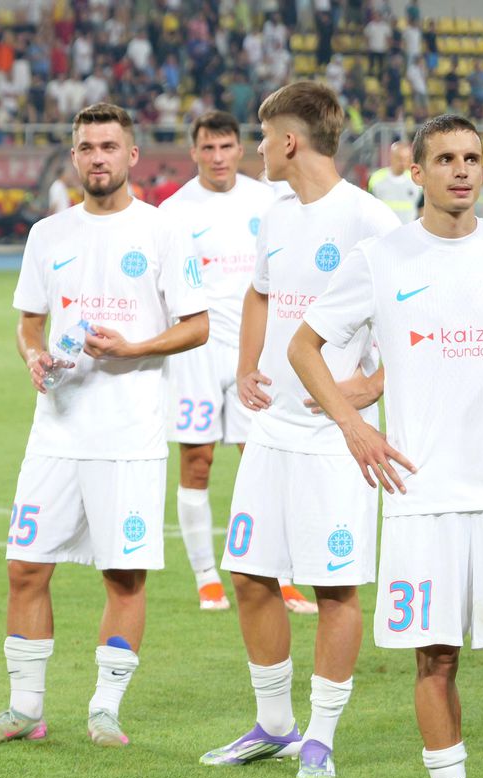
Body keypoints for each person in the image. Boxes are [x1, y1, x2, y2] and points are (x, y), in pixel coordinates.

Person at [289, 113, 483, 778]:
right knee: (435, 659)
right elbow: (303, 347)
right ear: (418, 172)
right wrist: (353, 425)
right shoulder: (381, 258)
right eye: (445, 159)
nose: (461, 170)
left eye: (471, 158)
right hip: (422, 493)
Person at [0, 102, 209, 749]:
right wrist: (31, 355)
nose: (98, 158)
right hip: (56, 430)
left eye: (109, 146)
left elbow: (198, 325)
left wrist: (133, 348)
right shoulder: (48, 234)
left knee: (123, 576)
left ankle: (105, 709)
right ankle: (24, 710)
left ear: (132, 156)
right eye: (87, 148)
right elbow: (29, 322)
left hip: (129, 435)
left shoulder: (162, 231)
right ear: (74, 157)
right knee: (25, 567)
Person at [200, 82, 399, 778]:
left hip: (336, 439)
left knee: (333, 586)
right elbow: (260, 292)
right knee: (250, 575)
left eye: (262, 136)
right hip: (272, 429)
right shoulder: (276, 215)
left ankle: (321, 735)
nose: (256, 149)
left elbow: (416, 321)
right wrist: (245, 364)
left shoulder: (371, 221)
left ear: (289, 141)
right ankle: (275, 725)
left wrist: (372, 385)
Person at [160, 112, 318, 614]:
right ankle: (206, 576)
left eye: (226, 146)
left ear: (239, 149)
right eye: (208, 148)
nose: (218, 157)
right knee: (198, 461)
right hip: (197, 355)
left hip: (257, 351)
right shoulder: (174, 211)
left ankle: (281, 576)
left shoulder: (268, 199)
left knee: (262, 461)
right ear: (194, 152)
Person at [369, 141, 423, 224]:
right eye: (399, 158)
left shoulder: (416, 180)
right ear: (391, 157)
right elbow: (369, 206)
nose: (403, 162)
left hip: (408, 229)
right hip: (384, 230)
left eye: (406, 159)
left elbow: (422, 208)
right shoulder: (376, 179)